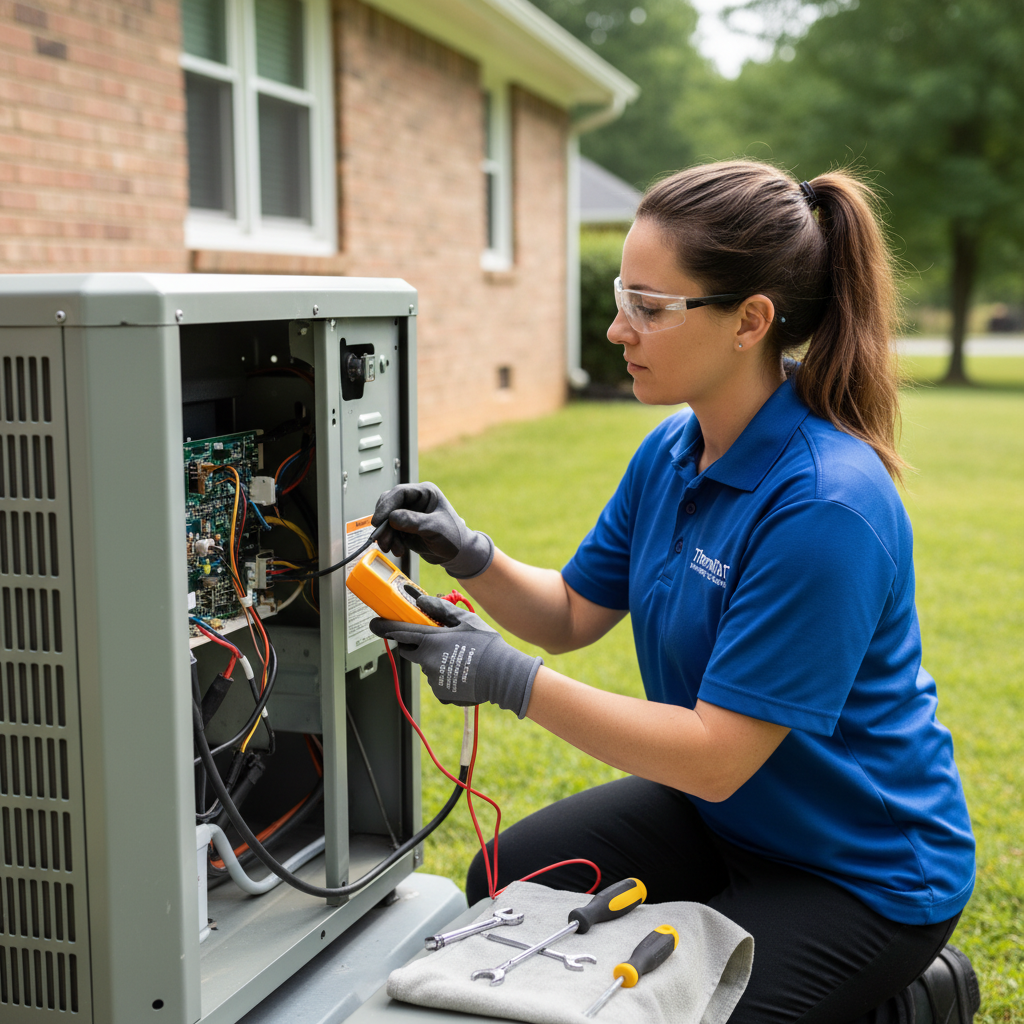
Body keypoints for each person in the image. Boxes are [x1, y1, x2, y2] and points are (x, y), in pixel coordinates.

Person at [369, 161, 979, 1024]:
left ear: (750, 321)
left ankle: (914, 997)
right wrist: (470, 554)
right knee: (507, 881)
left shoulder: (826, 503)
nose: (619, 328)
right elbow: (573, 613)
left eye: (650, 308)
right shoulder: (672, 450)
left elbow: (714, 754)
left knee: (678, 1012)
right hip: (725, 818)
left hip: (862, 869)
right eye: (624, 296)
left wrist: (507, 678)